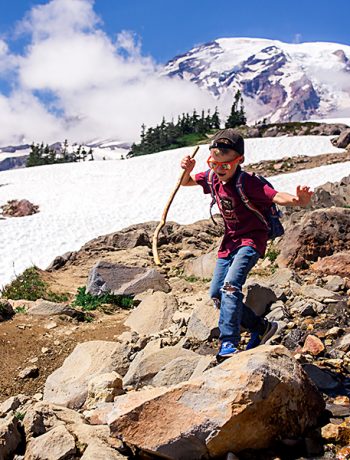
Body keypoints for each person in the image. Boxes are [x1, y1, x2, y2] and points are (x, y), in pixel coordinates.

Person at [180, 128, 313, 361]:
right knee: (217, 295)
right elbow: (186, 183)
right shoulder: (212, 177)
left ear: (238, 160)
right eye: (214, 164)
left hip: (252, 240)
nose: (219, 170)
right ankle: (261, 328)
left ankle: (228, 345)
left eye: (225, 165)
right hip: (229, 242)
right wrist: (188, 170)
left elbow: (275, 195)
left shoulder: (248, 182)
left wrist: (297, 200)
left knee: (231, 286)